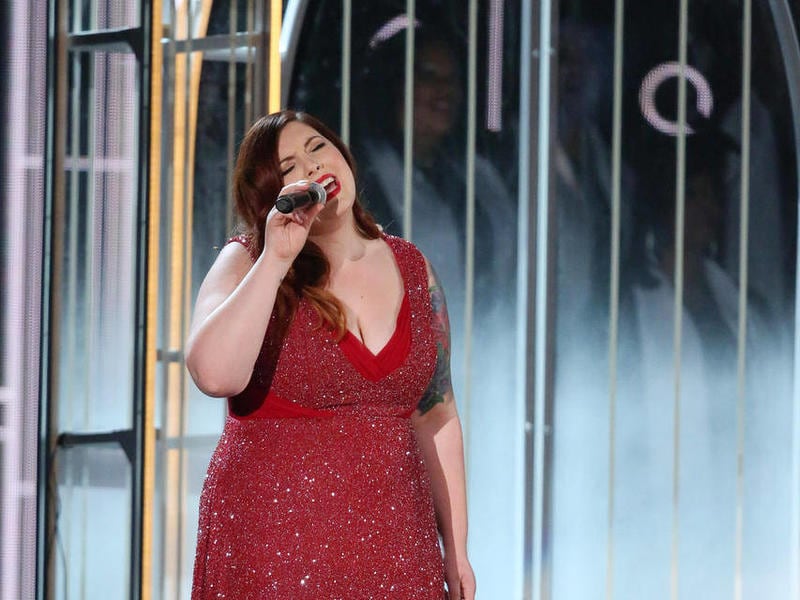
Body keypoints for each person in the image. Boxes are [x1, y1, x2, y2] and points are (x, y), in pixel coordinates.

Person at [185, 109, 476, 600]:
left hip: (397, 546)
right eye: (290, 167)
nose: (312, 167)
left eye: (318, 148)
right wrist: (276, 258)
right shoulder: (247, 261)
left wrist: (456, 548)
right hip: (276, 547)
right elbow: (214, 375)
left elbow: (437, 414)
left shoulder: (412, 266)